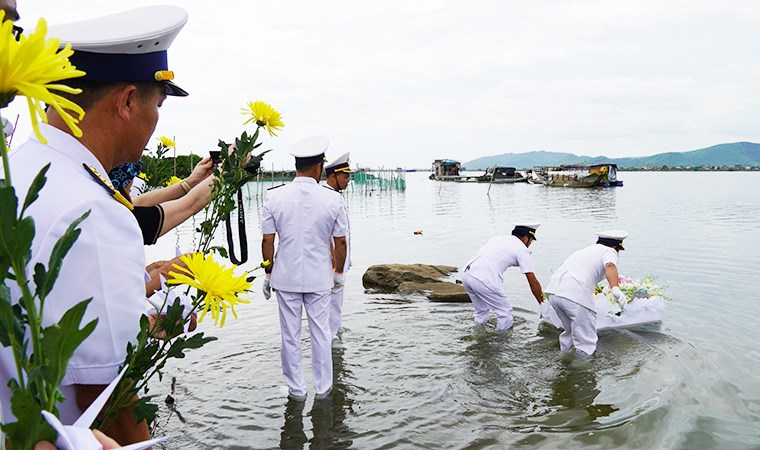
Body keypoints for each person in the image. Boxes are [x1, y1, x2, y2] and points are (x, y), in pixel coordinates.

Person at [0, 6, 190, 444]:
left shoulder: (17, 172)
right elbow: (107, 397)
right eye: (157, 105)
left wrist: (141, 293)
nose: (157, 121)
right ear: (126, 102)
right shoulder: (95, 212)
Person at [261, 136, 349, 402]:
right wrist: (338, 273)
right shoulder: (332, 200)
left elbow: (267, 240)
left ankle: (296, 390)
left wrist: (268, 272)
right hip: (319, 278)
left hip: (284, 277)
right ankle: (323, 390)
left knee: (289, 335)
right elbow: (341, 242)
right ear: (318, 167)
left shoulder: (274, 196)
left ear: (297, 165)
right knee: (321, 333)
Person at [544, 230, 629, 356]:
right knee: (586, 341)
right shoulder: (609, 251)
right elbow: (610, 265)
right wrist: (615, 288)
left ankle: (564, 360)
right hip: (574, 294)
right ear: (615, 247)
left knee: (570, 333)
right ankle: (582, 370)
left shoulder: (585, 251)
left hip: (553, 292)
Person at [109, 157, 215, 245]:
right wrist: (225, 168)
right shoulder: (122, 220)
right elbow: (191, 205)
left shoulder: (105, 206)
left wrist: (191, 181)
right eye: (132, 176)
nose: (133, 181)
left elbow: (139, 203)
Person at [461, 223, 544, 331]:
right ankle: (501, 344)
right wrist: (543, 304)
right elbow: (532, 282)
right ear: (525, 238)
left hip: (467, 274)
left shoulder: (497, 238)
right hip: (484, 279)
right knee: (505, 312)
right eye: (531, 241)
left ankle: (477, 335)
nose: (530, 244)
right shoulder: (522, 249)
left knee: (481, 311)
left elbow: (494, 255)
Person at [323, 152, 353, 344]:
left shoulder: (335, 197)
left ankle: (336, 333)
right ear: (333, 176)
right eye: (345, 175)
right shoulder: (328, 198)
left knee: (337, 304)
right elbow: (331, 238)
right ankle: (333, 344)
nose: (348, 180)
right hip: (333, 264)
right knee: (332, 304)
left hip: (339, 262)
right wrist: (338, 268)